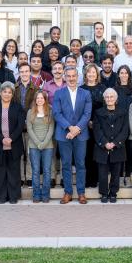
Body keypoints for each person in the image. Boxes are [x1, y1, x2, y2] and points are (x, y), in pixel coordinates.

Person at [52, 65, 92, 204]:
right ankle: (68, 192)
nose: (71, 78)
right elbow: (56, 113)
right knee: (66, 164)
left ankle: (81, 193)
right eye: (68, 76)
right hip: (64, 134)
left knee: (81, 164)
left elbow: (87, 114)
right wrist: (70, 128)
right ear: (64, 77)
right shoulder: (59, 93)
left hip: (81, 135)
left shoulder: (85, 94)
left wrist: (77, 129)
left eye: (73, 76)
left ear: (78, 77)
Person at [0, 85, 24, 204]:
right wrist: (2, 138)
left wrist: (11, 138)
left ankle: (13, 196)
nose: (7, 94)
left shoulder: (18, 107)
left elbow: (20, 125)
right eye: (4, 91)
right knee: (0, 171)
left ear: (12, 94)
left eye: (9, 92)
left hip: (14, 143)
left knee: (14, 170)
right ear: (0, 93)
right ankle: (1, 196)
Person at [91, 88, 128, 203]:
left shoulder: (123, 112)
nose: (109, 99)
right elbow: (97, 130)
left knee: (116, 173)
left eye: (112, 97)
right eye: (107, 97)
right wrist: (105, 143)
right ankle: (103, 193)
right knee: (102, 173)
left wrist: (115, 143)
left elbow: (125, 130)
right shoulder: (98, 113)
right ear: (104, 99)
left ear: (116, 99)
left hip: (118, 148)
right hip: (102, 148)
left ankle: (113, 193)